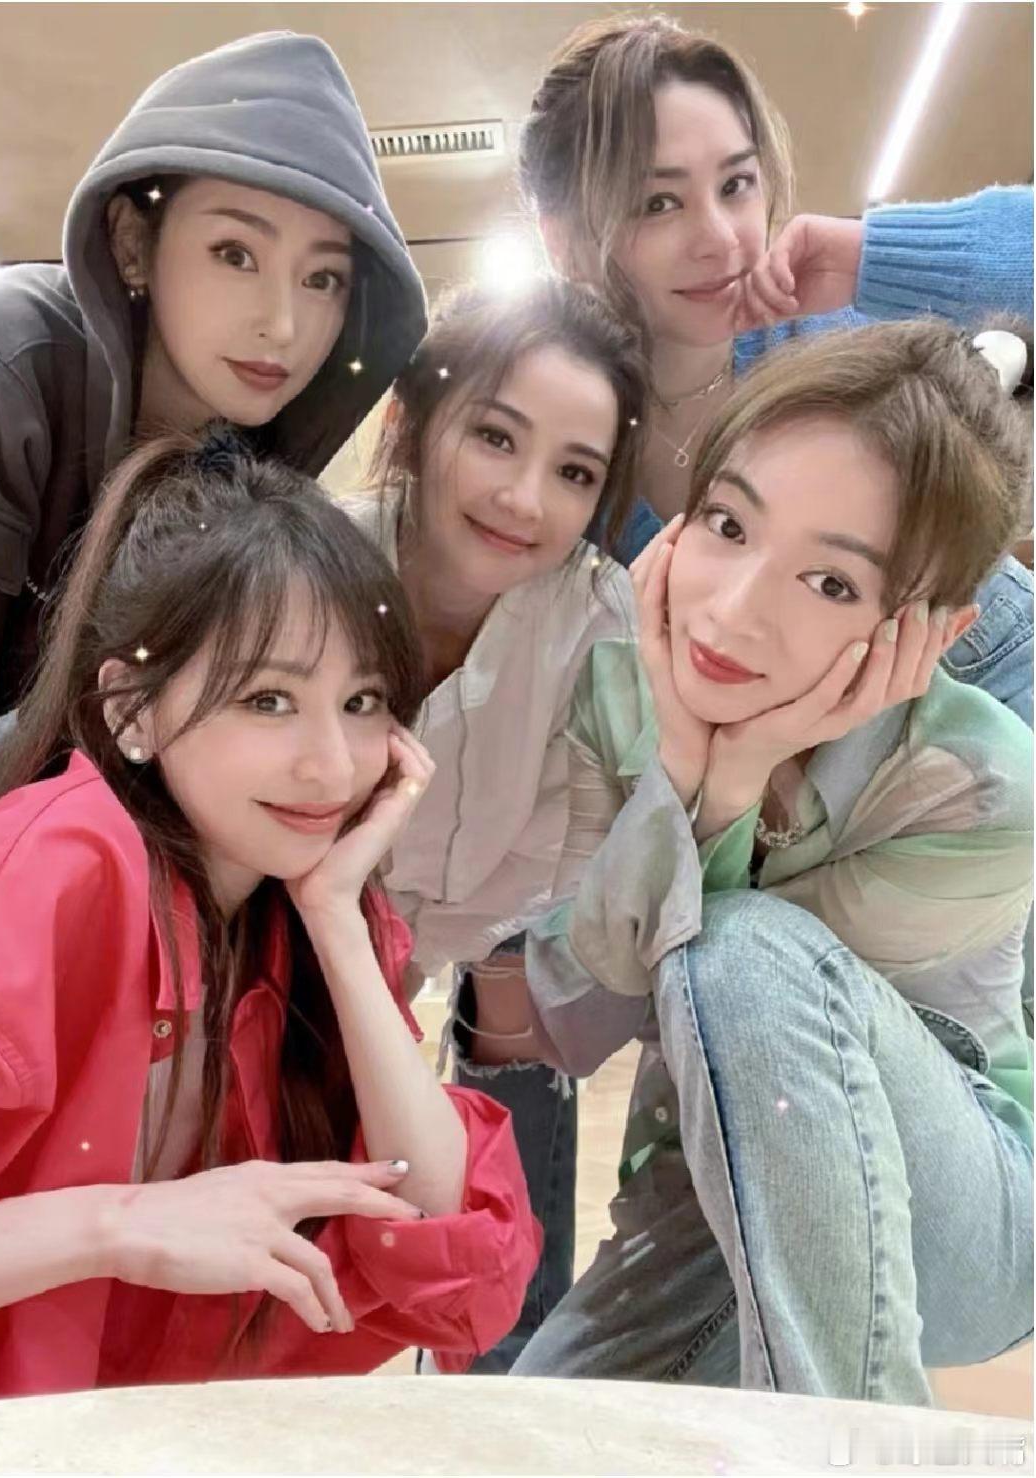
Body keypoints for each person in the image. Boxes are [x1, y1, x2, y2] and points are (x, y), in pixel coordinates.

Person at [0, 424, 539, 1415]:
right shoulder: (52, 877)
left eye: (361, 701)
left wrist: (337, 922)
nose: (331, 765)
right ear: (131, 711)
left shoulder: (299, 908)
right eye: (267, 699)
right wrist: (115, 1224)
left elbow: (438, 1241)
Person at [511, 319, 1032, 1403]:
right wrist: (685, 766)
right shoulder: (614, 691)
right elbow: (573, 1017)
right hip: (703, 1200)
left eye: (830, 583)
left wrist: (725, 780)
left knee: (739, 951)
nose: (732, 610)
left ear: (928, 633)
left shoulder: (979, 785)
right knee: (535, 1436)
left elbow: (737, 1008)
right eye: (727, 523)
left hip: (964, 1211)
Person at [0, 30, 427, 907]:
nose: (283, 324)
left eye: (323, 280)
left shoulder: (242, 477)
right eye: (235, 254)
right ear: (130, 243)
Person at [519, 12, 1034, 724]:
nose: (720, 237)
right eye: (658, 203)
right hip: (805, 779)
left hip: (998, 686)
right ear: (563, 242)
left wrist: (870, 255)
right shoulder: (564, 452)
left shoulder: (839, 335)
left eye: (736, 184)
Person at [338, 276, 644, 1369]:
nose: (524, 498)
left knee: (511, 1064)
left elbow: (574, 848)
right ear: (413, 421)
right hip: (287, 936)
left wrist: (439, 969)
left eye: (574, 472)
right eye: (494, 437)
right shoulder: (307, 568)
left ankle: (501, 1360)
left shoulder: (590, 614)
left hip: (484, 927)